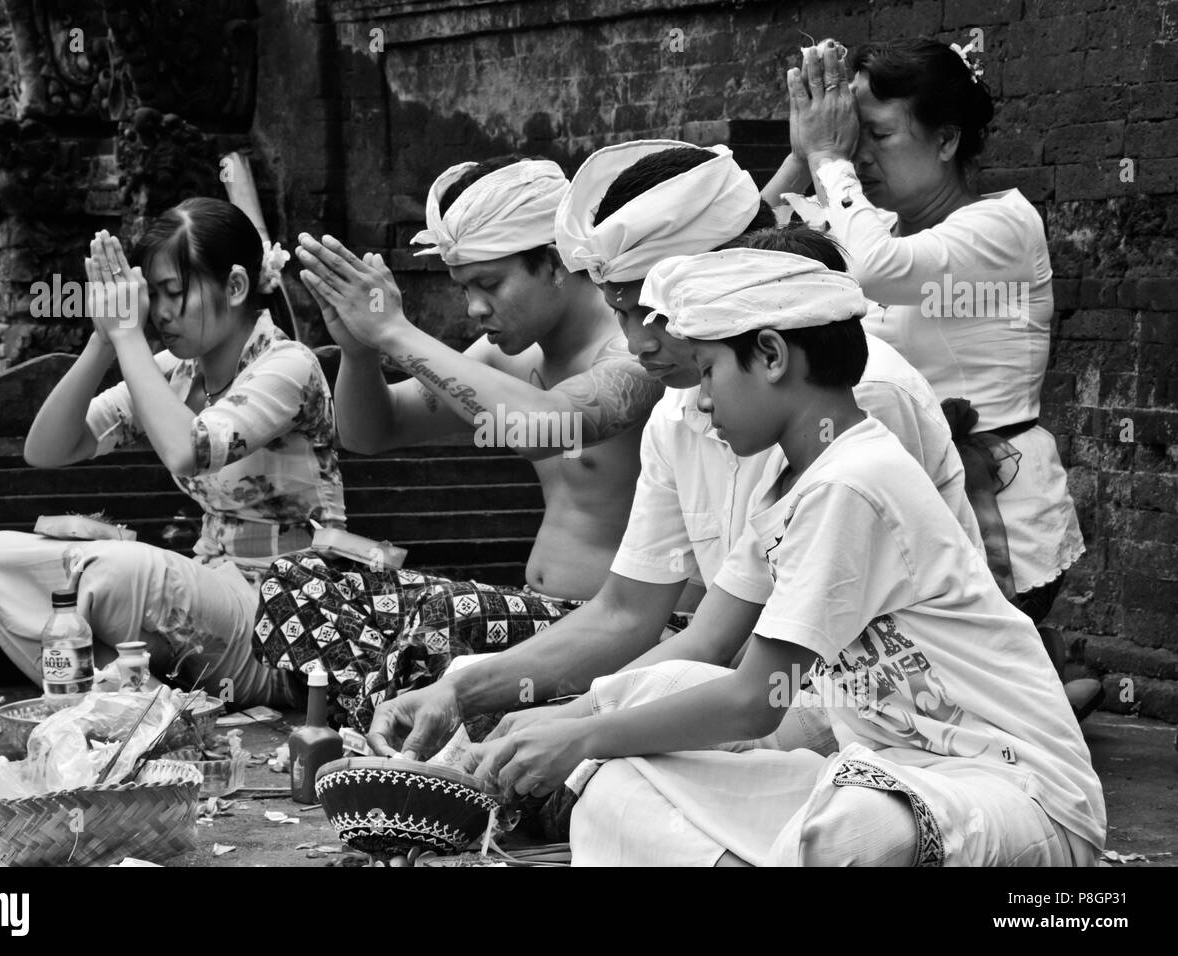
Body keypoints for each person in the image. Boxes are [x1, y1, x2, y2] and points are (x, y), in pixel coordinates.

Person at [464, 247, 1107, 867]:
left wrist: (579, 736)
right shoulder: (791, 482)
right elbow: (707, 644)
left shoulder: (852, 481)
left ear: (770, 356)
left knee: (853, 833)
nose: (703, 399)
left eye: (710, 370)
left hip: (1014, 793)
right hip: (878, 771)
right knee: (615, 786)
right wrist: (546, 723)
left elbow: (756, 700)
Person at [369, 141, 982, 762]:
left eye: (655, 312)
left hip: (904, 717)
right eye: (623, 314)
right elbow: (634, 618)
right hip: (760, 690)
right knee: (529, 750)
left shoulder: (857, 399)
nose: (636, 343)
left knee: (595, 774)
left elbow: (757, 680)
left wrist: (580, 732)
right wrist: (470, 695)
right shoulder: (678, 407)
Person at [251, 156, 664, 731]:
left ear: (554, 262)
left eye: (489, 285)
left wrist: (396, 331)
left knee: (442, 619)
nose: (473, 309)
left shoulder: (642, 350)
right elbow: (373, 432)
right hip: (528, 617)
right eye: (465, 288)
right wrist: (360, 350)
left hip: (626, 633)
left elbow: (546, 426)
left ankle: (422, 712)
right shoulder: (507, 357)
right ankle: (411, 714)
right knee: (296, 580)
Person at [0, 197, 341, 708]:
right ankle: (128, 708)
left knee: (117, 571)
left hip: (287, 627)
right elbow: (48, 449)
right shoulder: (175, 371)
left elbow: (190, 451)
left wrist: (128, 340)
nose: (160, 315)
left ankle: (128, 707)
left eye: (174, 293)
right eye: (153, 297)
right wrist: (103, 342)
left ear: (234, 287)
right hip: (210, 596)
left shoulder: (288, 366)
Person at [773, 38, 1083, 623]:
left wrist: (828, 161)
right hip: (897, 506)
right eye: (850, 135)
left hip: (995, 511)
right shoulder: (872, 223)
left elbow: (871, 268)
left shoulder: (1003, 225)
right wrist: (802, 151)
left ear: (946, 139)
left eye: (879, 136)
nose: (859, 156)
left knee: (962, 694)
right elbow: (746, 262)